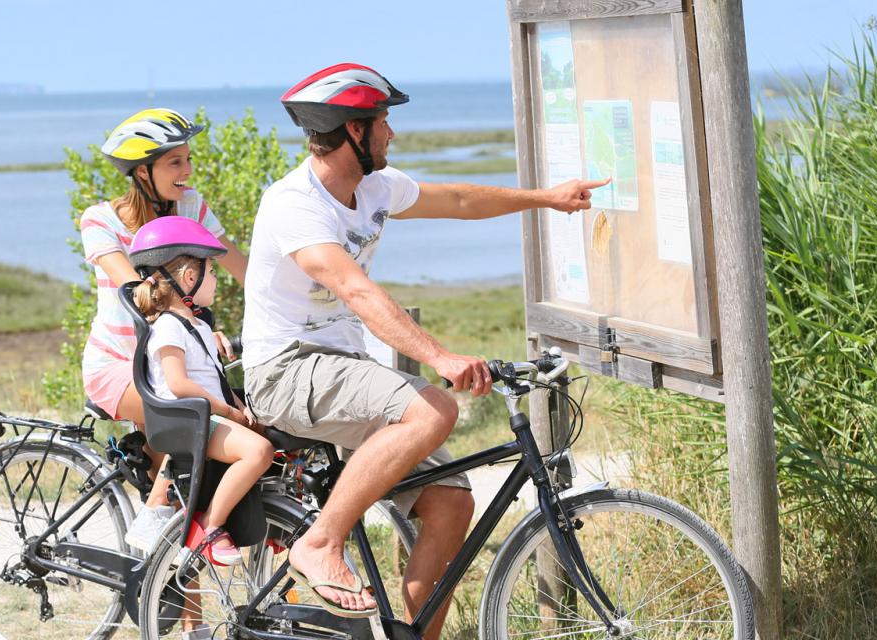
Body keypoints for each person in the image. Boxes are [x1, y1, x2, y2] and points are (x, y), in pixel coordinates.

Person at [242, 63, 607, 636]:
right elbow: (355, 289)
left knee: (449, 503)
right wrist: (439, 358)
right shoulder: (295, 205)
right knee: (433, 408)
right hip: (285, 370)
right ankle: (321, 541)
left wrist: (547, 197)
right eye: (383, 121)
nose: (393, 133)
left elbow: (460, 198)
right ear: (353, 131)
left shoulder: (375, 187)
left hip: (342, 369)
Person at [78, 108, 249, 551]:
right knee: (193, 415)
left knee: (192, 493)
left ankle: (187, 616)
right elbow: (139, 295)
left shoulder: (191, 207)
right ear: (141, 172)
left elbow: (240, 266)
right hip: (118, 366)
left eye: (188, 160)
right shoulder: (101, 220)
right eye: (175, 162)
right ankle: (154, 512)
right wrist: (192, 328)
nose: (188, 171)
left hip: (171, 359)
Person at [130, 216, 272, 568]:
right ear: (190, 278)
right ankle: (209, 526)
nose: (216, 282)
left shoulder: (199, 327)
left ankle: (270, 522)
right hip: (188, 421)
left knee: (270, 432)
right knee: (259, 451)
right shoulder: (167, 327)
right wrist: (228, 412)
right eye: (213, 274)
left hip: (205, 415)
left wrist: (240, 406)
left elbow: (213, 378)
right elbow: (179, 384)